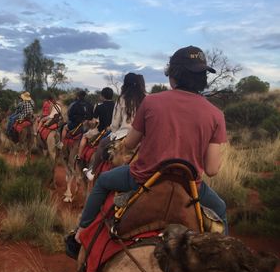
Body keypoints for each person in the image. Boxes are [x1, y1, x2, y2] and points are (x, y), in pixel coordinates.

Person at [76, 46, 228, 241]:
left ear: (172, 76)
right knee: (220, 208)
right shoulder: (216, 114)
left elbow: (130, 144)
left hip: (143, 179)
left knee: (103, 181)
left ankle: (80, 232)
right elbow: (212, 169)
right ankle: (223, 253)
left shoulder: (151, 102)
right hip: (190, 188)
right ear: (203, 78)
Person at [83, 74, 146, 179]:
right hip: (143, 136)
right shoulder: (146, 98)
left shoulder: (122, 99)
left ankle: (92, 172)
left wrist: (113, 130)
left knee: (102, 144)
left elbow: (115, 125)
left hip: (124, 134)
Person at [76, 87, 115, 160]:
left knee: (84, 136)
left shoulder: (99, 106)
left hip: (101, 130)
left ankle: (79, 155)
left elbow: (93, 122)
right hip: (113, 131)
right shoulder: (116, 106)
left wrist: (90, 124)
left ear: (103, 96)